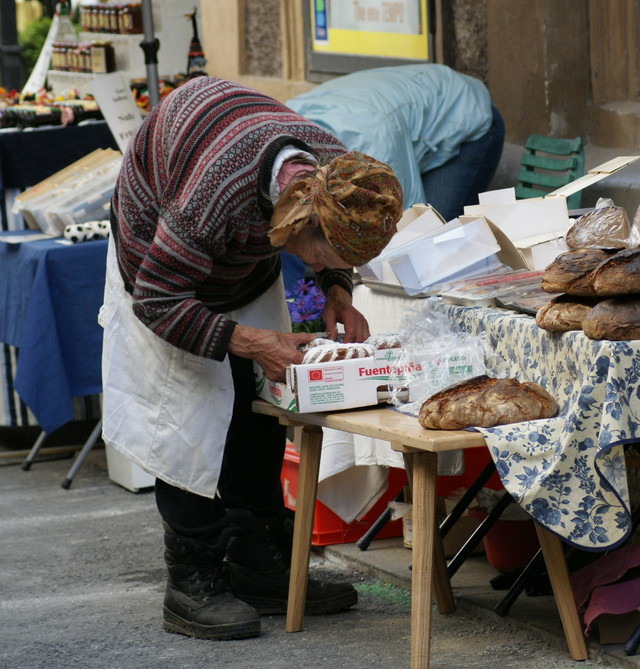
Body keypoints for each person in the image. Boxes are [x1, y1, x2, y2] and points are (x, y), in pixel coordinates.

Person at [99, 76, 403, 640]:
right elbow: (158, 300)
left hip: (237, 255)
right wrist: (252, 341)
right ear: (297, 223)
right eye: (325, 256)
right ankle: (193, 583)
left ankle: (262, 569)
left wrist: (337, 287)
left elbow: (334, 248)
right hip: (157, 270)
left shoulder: (340, 176)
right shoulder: (215, 195)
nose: (330, 264)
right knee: (187, 419)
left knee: (254, 408)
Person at [286, 63, 505, 222]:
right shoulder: (286, 124)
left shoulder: (376, 147)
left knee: (430, 233)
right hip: (400, 113)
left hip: (465, 113)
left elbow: (408, 220)